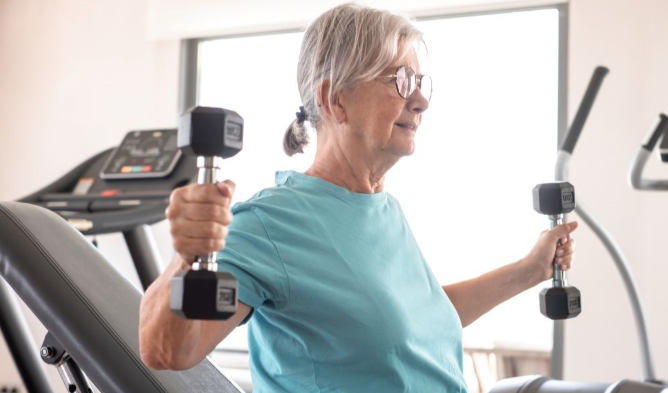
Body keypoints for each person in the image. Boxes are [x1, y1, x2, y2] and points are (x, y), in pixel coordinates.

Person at [139, 3, 578, 392]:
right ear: (335, 100)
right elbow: (170, 352)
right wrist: (188, 255)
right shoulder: (270, 223)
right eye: (401, 80)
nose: (421, 99)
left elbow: (421, 321)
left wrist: (530, 270)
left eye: (420, 81)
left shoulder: (384, 209)